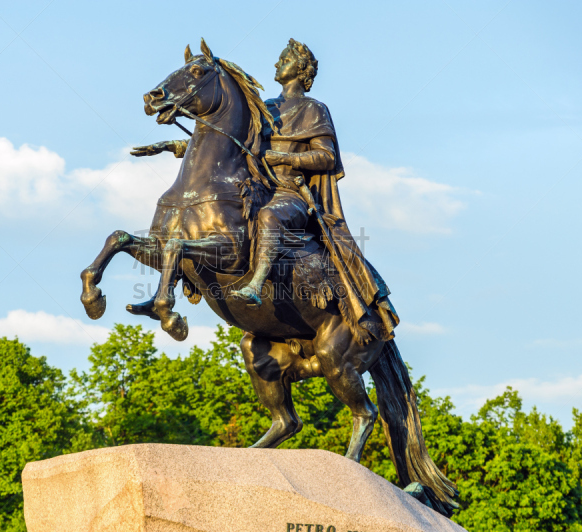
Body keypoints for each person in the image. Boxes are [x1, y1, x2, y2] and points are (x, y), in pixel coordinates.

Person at [132, 39, 399, 340]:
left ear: (301, 70)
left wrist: (282, 157)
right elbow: (231, 146)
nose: (276, 64)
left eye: (283, 59)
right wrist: (174, 146)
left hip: (292, 193)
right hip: (257, 187)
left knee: (269, 217)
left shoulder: (313, 110)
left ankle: (256, 283)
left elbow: (327, 157)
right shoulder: (266, 108)